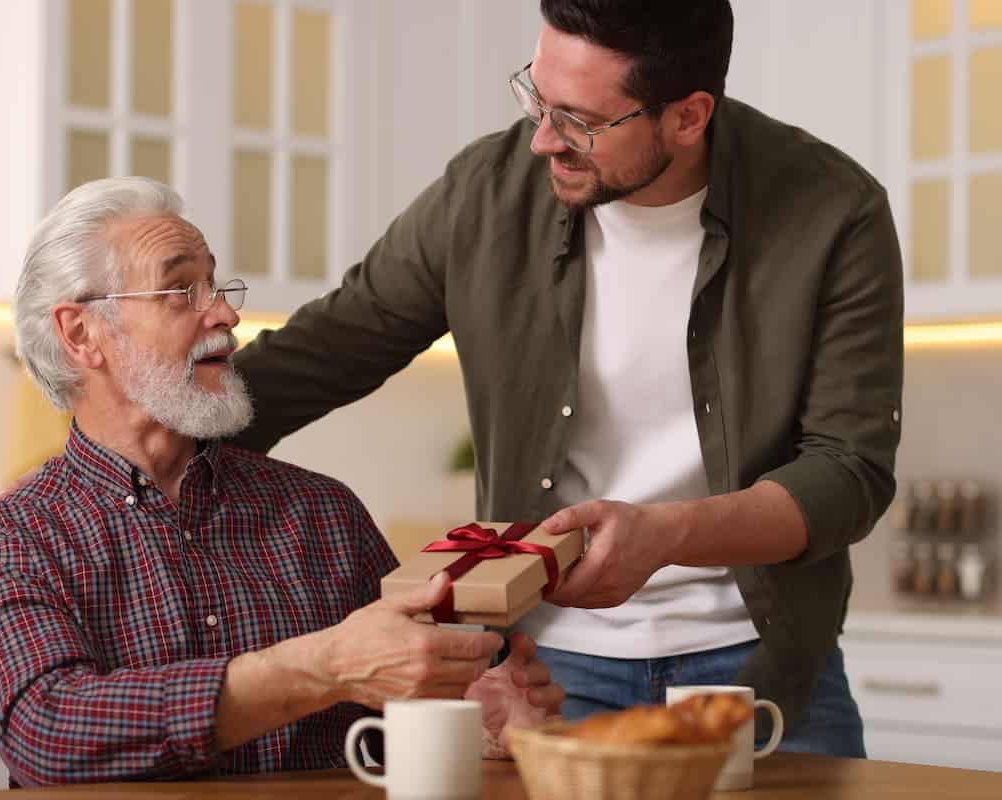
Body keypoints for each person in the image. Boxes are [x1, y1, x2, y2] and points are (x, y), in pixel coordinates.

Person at [231, 0, 904, 758]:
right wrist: (143, 428)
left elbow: (848, 473)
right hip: (542, 675)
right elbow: (322, 351)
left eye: (580, 120)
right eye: (536, 99)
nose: (543, 139)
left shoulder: (835, 211)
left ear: (688, 118)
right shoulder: (483, 193)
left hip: (763, 670)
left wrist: (668, 534)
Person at [0, 177, 562, 787]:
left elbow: (398, 699)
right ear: (81, 333)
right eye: (182, 289)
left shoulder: (322, 511)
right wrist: (322, 666)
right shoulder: (8, 538)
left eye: (215, 284)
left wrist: (468, 706)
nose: (225, 313)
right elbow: (49, 730)